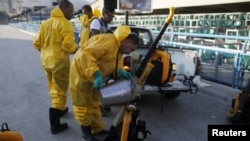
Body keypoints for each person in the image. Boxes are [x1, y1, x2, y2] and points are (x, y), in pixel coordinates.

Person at [69, 25, 139, 141]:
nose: (130, 52)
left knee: (94, 103)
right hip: (80, 75)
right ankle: (86, 133)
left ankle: (97, 129)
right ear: (127, 41)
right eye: (131, 49)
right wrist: (95, 74)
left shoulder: (118, 50)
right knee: (83, 106)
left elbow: (114, 62)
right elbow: (85, 55)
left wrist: (120, 70)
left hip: (92, 76)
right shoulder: (108, 42)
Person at [32, 0, 77, 134]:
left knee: (53, 87)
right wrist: (77, 49)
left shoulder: (45, 23)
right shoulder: (65, 24)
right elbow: (68, 46)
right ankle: (55, 125)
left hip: (46, 62)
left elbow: (37, 43)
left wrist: (46, 54)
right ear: (63, 9)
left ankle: (61, 109)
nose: (72, 13)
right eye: (71, 10)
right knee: (60, 91)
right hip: (59, 63)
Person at [90, 5, 115, 115]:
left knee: (103, 82)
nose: (111, 18)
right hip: (94, 55)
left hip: (102, 56)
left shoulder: (107, 25)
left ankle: (102, 103)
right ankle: (97, 107)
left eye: (113, 16)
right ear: (103, 14)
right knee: (96, 82)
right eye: (110, 16)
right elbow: (96, 38)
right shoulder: (96, 22)